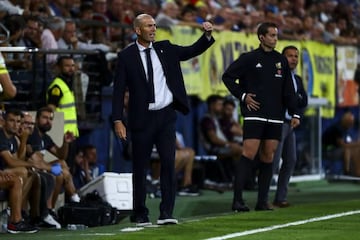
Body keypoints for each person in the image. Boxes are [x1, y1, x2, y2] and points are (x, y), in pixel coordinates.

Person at [112, 13, 214, 226]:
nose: (153, 29)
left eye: (155, 26)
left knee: (168, 163)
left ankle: (166, 212)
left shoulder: (165, 48)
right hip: (141, 119)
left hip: (166, 116)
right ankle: (140, 213)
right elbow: (119, 91)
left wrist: (207, 36)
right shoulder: (126, 56)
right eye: (149, 26)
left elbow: (189, 52)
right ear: (137, 30)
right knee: (140, 168)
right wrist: (117, 120)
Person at [222, 22, 300, 212]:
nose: (275, 38)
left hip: (276, 115)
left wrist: (295, 112)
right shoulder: (249, 58)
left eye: (276, 35)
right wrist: (243, 96)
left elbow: (288, 90)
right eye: (272, 35)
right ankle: (237, 200)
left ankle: (262, 201)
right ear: (261, 37)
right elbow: (228, 77)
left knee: (268, 156)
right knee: (248, 153)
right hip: (254, 114)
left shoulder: (280, 60)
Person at [272, 45, 308, 208]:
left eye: (296, 56)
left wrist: (296, 114)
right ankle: (263, 196)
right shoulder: (277, 76)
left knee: (290, 160)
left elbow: (303, 100)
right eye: (290, 56)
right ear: (282, 57)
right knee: (273, 160)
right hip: (278, 122)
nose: (294, 59)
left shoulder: (297, 79)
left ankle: (280, 197)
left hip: (290, 124)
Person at [26, 107, 80, 214]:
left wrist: (65, 142)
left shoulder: (45, 137)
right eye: (44, 118)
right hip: (31, 168)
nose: (48, 121)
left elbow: (61, 156)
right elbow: (36, 161)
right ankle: (49, 210)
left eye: (50, 119)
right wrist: (56, 169)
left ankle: (73, 199)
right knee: (59, 174)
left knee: (62, 164)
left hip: (41, 167)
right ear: (37, 120)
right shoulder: (33, 135)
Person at [46, 55, 79, 170]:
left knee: (70, 167)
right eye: (67, 66)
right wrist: (58, 133)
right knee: (63, 167)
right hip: (62, 136)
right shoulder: (57, 86)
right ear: (59, 68)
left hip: (70, 134)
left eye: (72, 66)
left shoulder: (67, 85)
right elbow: (51, 110)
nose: (71, 68)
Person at [322, 110, 360, 176]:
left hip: (337, 150)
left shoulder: (345, 128)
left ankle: (355, 173)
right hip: (328, 151)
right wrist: (357, 144)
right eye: (350, 123)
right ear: (346, 121)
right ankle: (347, 173)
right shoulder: (337, 128)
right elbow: (343, 145)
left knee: (356, 150)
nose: (351, 125)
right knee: (348, 150)